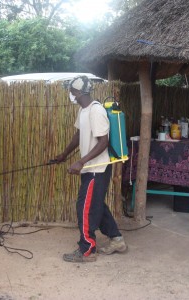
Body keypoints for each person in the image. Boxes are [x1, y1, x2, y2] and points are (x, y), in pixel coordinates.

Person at [55, 75, 127, 263]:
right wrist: (64, 154)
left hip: (97, 168)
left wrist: (81, 162)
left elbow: (103, 142)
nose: (70, 94)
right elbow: (78, 135)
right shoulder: (83, 110)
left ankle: (87, 249)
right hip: (90, 167)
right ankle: (117, 239)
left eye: (71, 91)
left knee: (84, 207)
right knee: (96, 204)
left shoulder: (96, 111)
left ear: (78, 92)